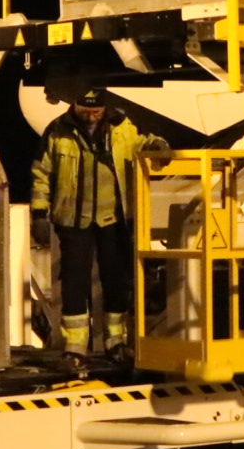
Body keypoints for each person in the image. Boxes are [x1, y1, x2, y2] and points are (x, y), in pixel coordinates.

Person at [30, 86, 170, 356]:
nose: (91, 114)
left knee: (116, 280)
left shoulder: (125, 127)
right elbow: (41, 174)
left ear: (105, 106)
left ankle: (115, 341)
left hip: (114, 218)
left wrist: (159, 148)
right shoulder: (58, 130)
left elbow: (151, 140)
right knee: (74, 282)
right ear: (75, 105)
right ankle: (75, 345)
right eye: (85, 108)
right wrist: (39, 215)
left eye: (96, 109)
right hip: (73, 219)